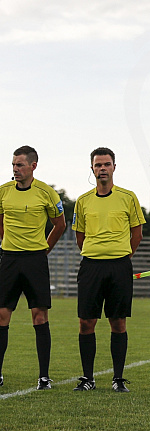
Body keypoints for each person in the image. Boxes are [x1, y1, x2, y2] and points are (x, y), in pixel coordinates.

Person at [72, 147, 145, 392]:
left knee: (118, 322)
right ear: (91, 169)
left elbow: (137, 233)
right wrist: (97, 253)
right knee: (86, 323)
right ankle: (87, 378)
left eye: (106, 164)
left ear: (114, 167)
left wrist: (122, 255)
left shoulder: (128, 197)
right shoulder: (82, 201)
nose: (102, 169)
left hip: (119, 266)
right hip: (91, 266)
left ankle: (118, 378)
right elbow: (79, 237)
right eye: (97, 165)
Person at [0, 146, 66, 390]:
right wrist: (7, 243)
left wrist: (44, 250)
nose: (15, 169)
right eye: (13, 164)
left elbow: (60, 225)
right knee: (2, 315)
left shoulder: (46, 193)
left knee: (39, 316)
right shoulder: (3, 191)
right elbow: (1, 220)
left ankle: (44, 376)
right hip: (9, 260)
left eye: (19, 165)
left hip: (35, 260)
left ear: (33, 166)